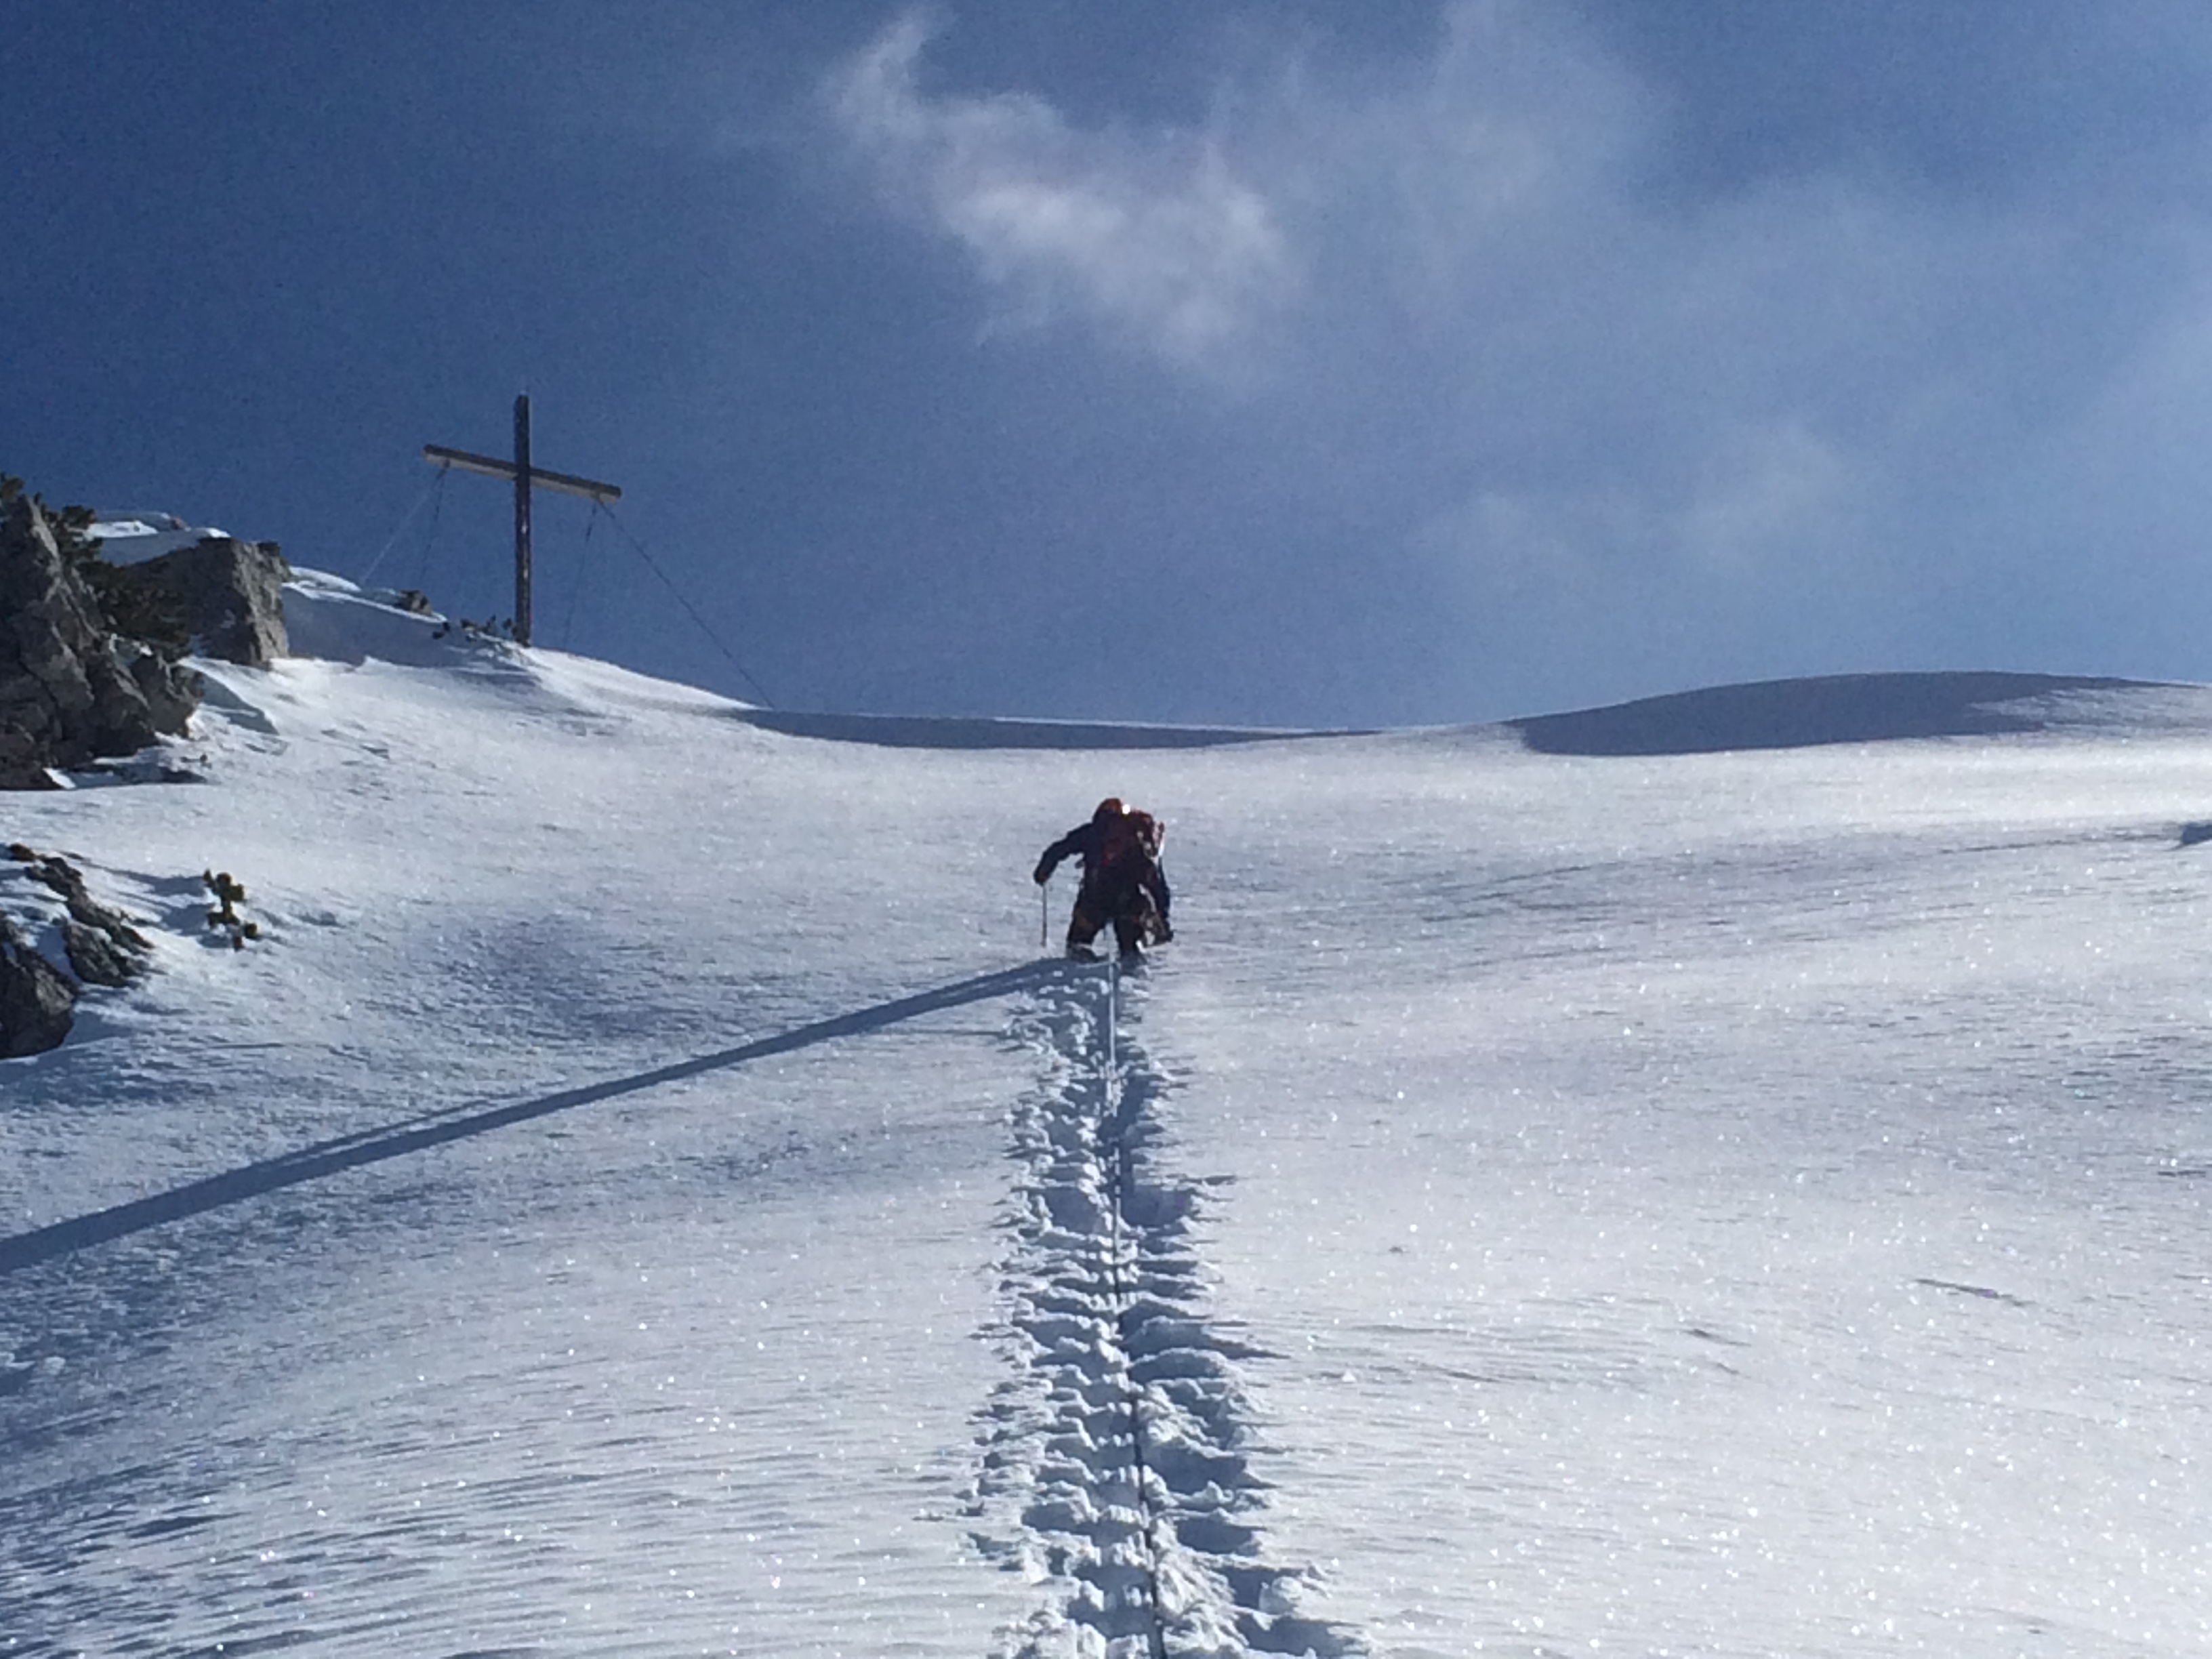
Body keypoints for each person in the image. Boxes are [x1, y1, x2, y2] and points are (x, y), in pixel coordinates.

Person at [1033, 797, 1173, 959]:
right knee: (1130, 951)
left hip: (1094, 900)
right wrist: (1163, 917)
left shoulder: (1092, 833)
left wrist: (1043, 871)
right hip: (1128, 904)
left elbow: (1060, 849)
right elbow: (1156, 885)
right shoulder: (1137, 841)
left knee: (1076, 947)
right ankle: (1131, 968)